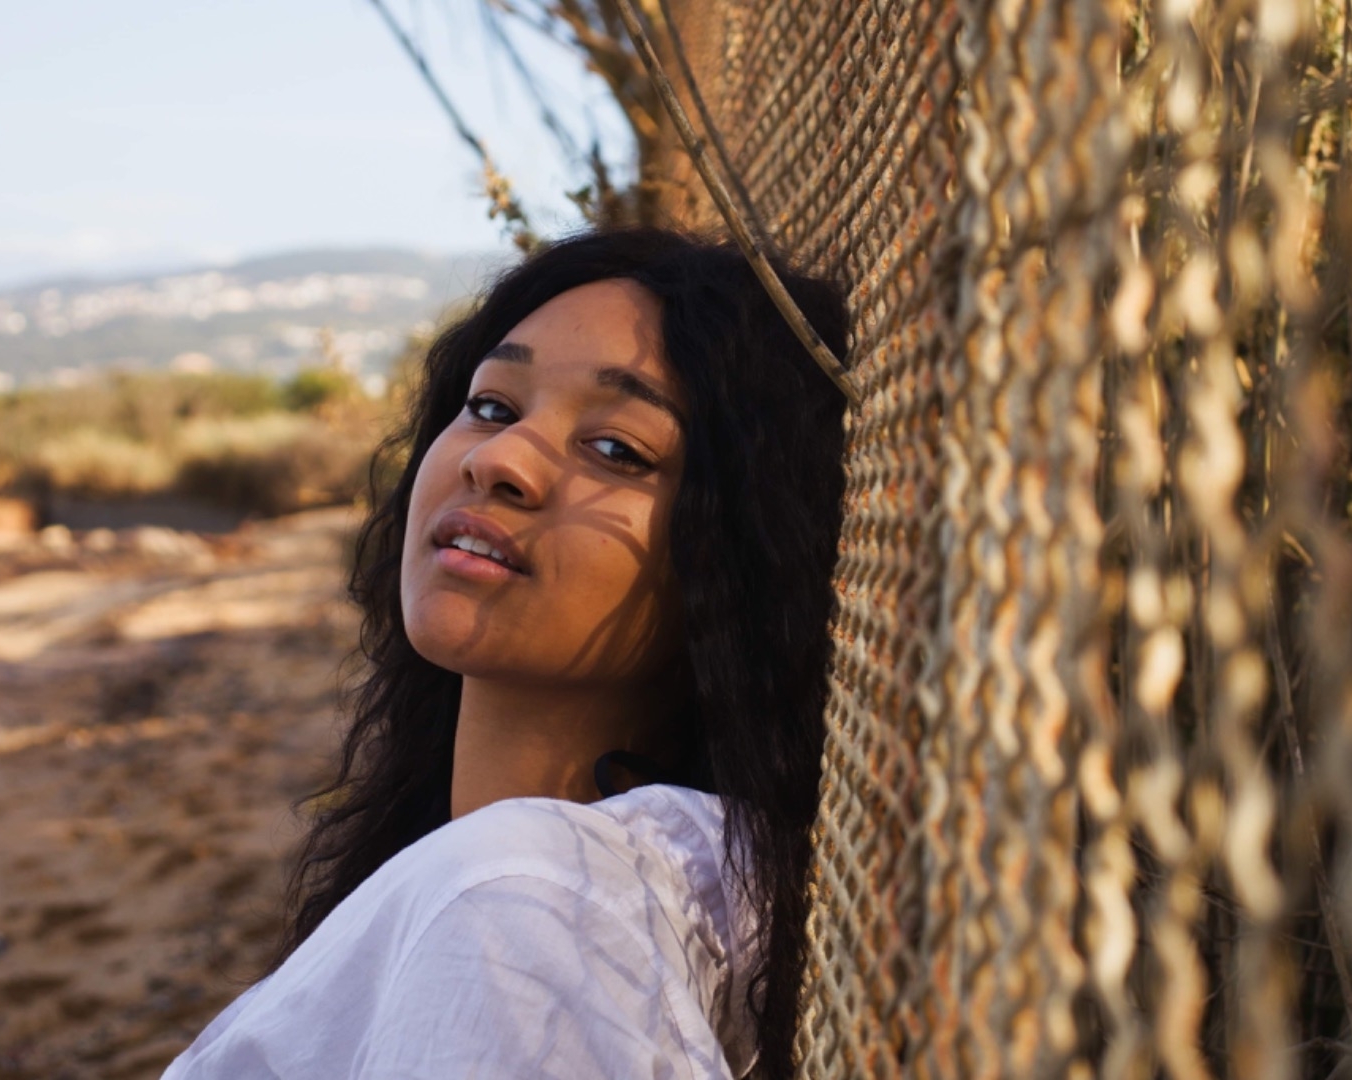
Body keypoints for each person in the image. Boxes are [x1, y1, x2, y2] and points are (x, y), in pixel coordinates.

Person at [162, 227, 849, 1080]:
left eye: (616, 449)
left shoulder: (528, 906)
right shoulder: (516, 881)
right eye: (492, 406)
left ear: (742, 557)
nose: (498, 460)